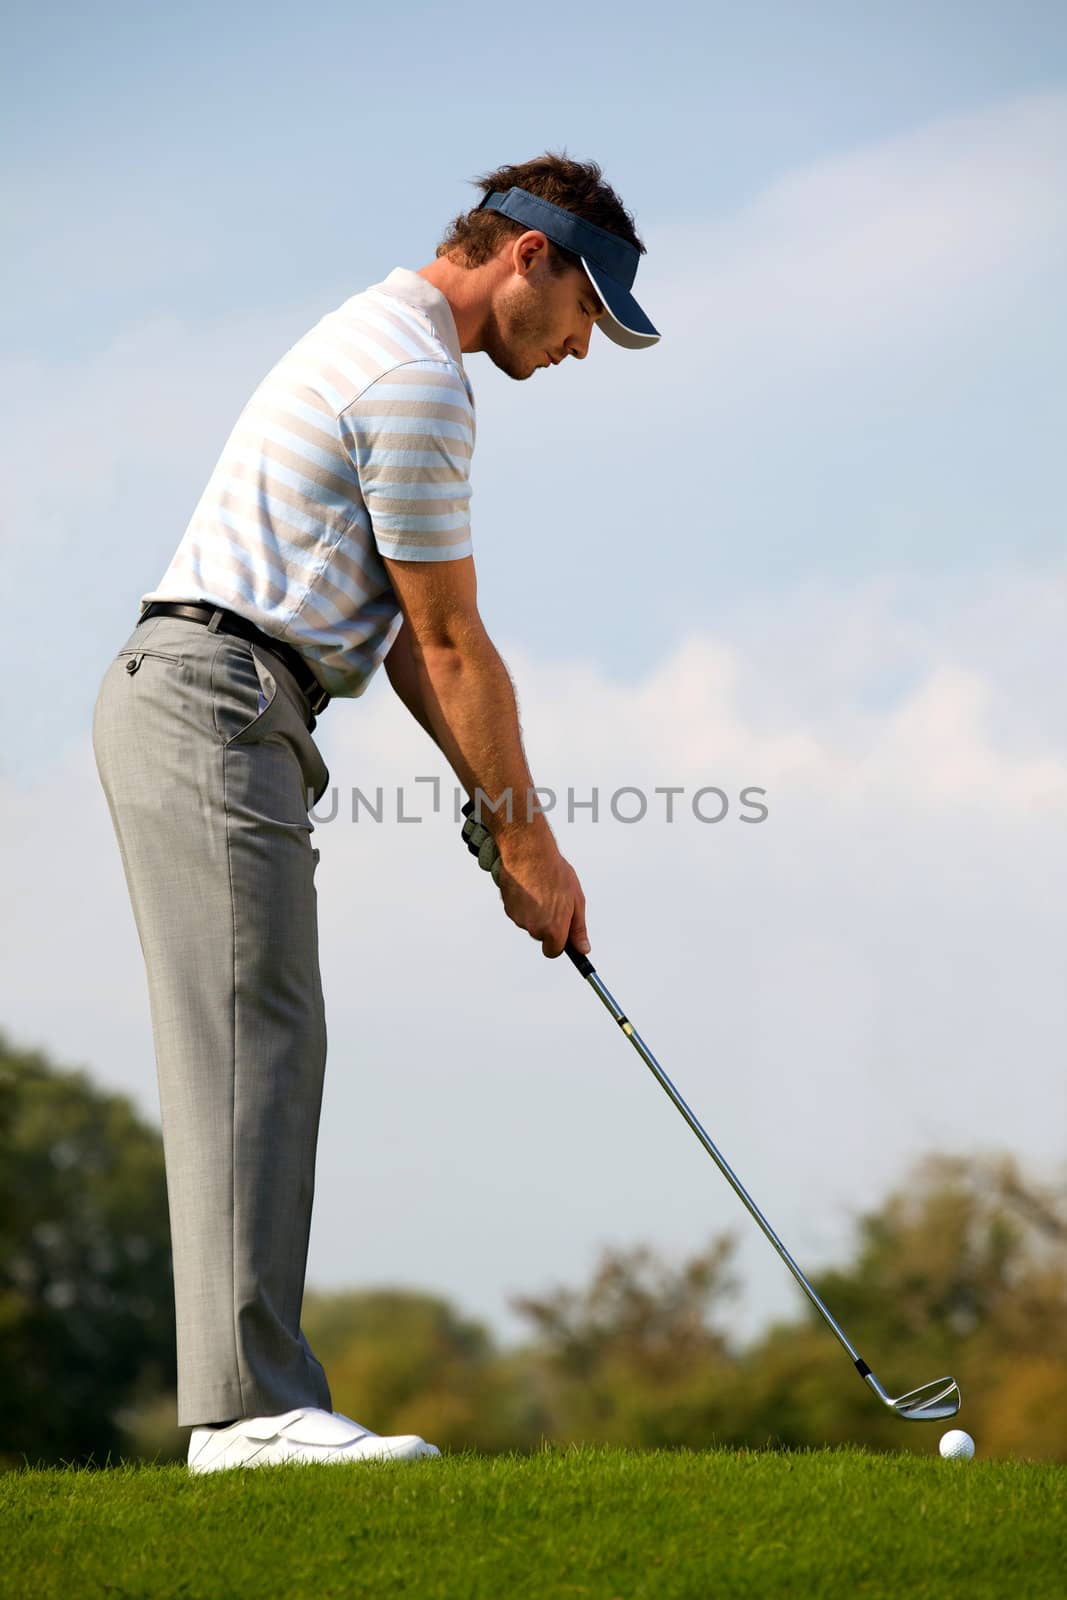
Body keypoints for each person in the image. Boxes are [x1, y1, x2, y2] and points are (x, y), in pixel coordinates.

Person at [92, 153, 659, 1473]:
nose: (582, 350)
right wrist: (530, 842)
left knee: (267, 1030)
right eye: (586, 315)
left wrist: (492, 811)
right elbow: (453, 639)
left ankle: (248, 1403)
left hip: (227, 697)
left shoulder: (386, 339)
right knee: (257, 1035)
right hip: (215, 699)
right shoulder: (415, 379)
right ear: (529, 256)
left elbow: (408, 642)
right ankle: (245, 1415)